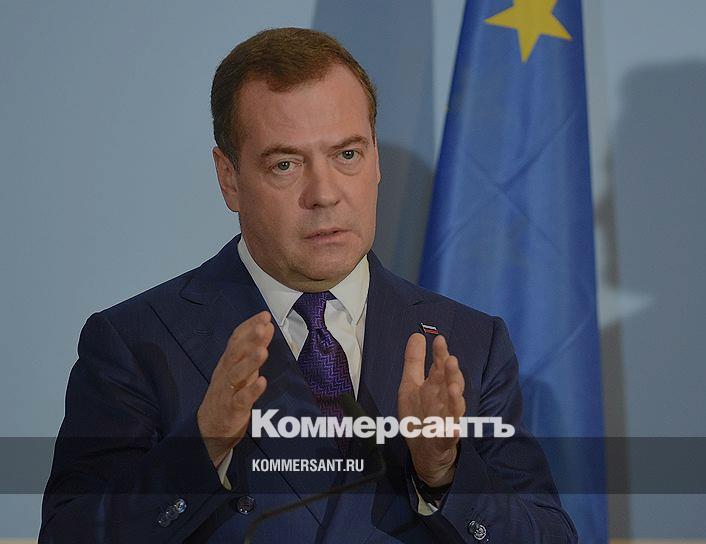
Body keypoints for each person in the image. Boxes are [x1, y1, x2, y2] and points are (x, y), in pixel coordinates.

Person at [41, 27, 576, 543]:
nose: (324, 193)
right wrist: (202, 448)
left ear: (375, 159)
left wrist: (444, 474)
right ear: (229, 178)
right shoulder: (138, 341)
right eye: (285, 164)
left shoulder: (469, 343)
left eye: (347, 155)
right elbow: (70, 534)